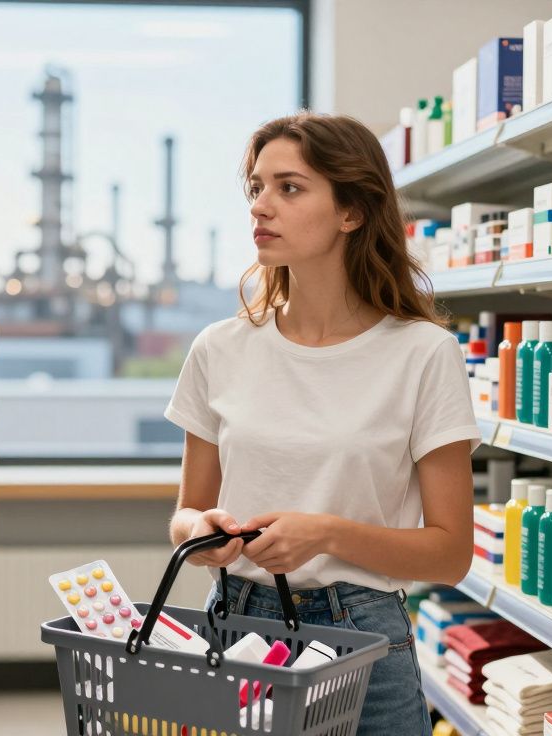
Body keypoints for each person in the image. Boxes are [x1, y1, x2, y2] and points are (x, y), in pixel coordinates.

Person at [165, 111, 479, 736]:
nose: (261, 206)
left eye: (290, 187)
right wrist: (205, 532)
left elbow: (449, 554)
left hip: (360, 637)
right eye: (256, 187)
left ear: (351, 212)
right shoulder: (218, 348)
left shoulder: (422, 353)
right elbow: (184, 516)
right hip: (236, 628)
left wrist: (328, 534)